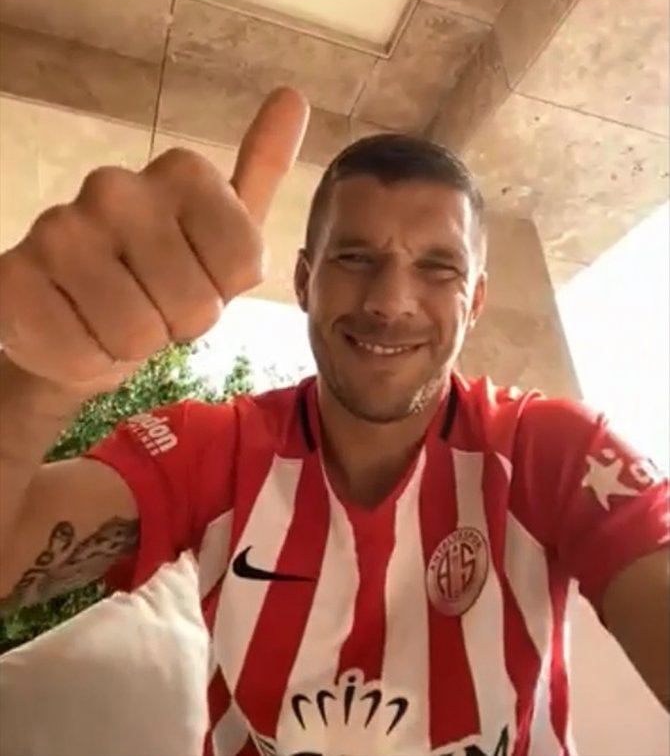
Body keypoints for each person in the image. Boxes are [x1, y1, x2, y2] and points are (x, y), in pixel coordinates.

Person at [0, 87, 667, 756]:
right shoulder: (219, 451)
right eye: (354, 258)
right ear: (303, 281)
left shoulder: (554, 451)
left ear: (476, 302)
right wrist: (37, 383)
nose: (390, 301)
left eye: (438, 268)